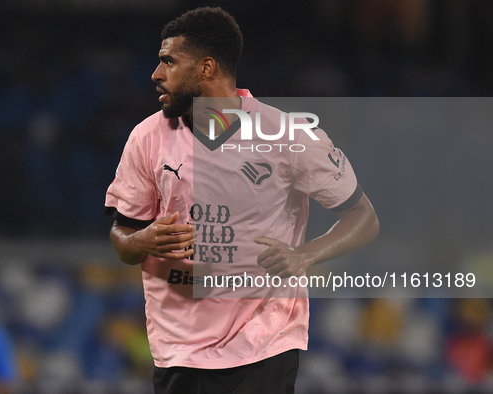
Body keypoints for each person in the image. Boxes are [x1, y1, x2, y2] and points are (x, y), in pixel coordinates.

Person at [105, 7, 379, 394]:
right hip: (177, 347)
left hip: (263, 342)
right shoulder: (146, 137)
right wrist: (139, 242)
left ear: (206, 68)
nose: (156, 74)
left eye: (168, 61)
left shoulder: (288, 135)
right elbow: (123, 235)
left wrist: (304, 254)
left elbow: (364, 218)